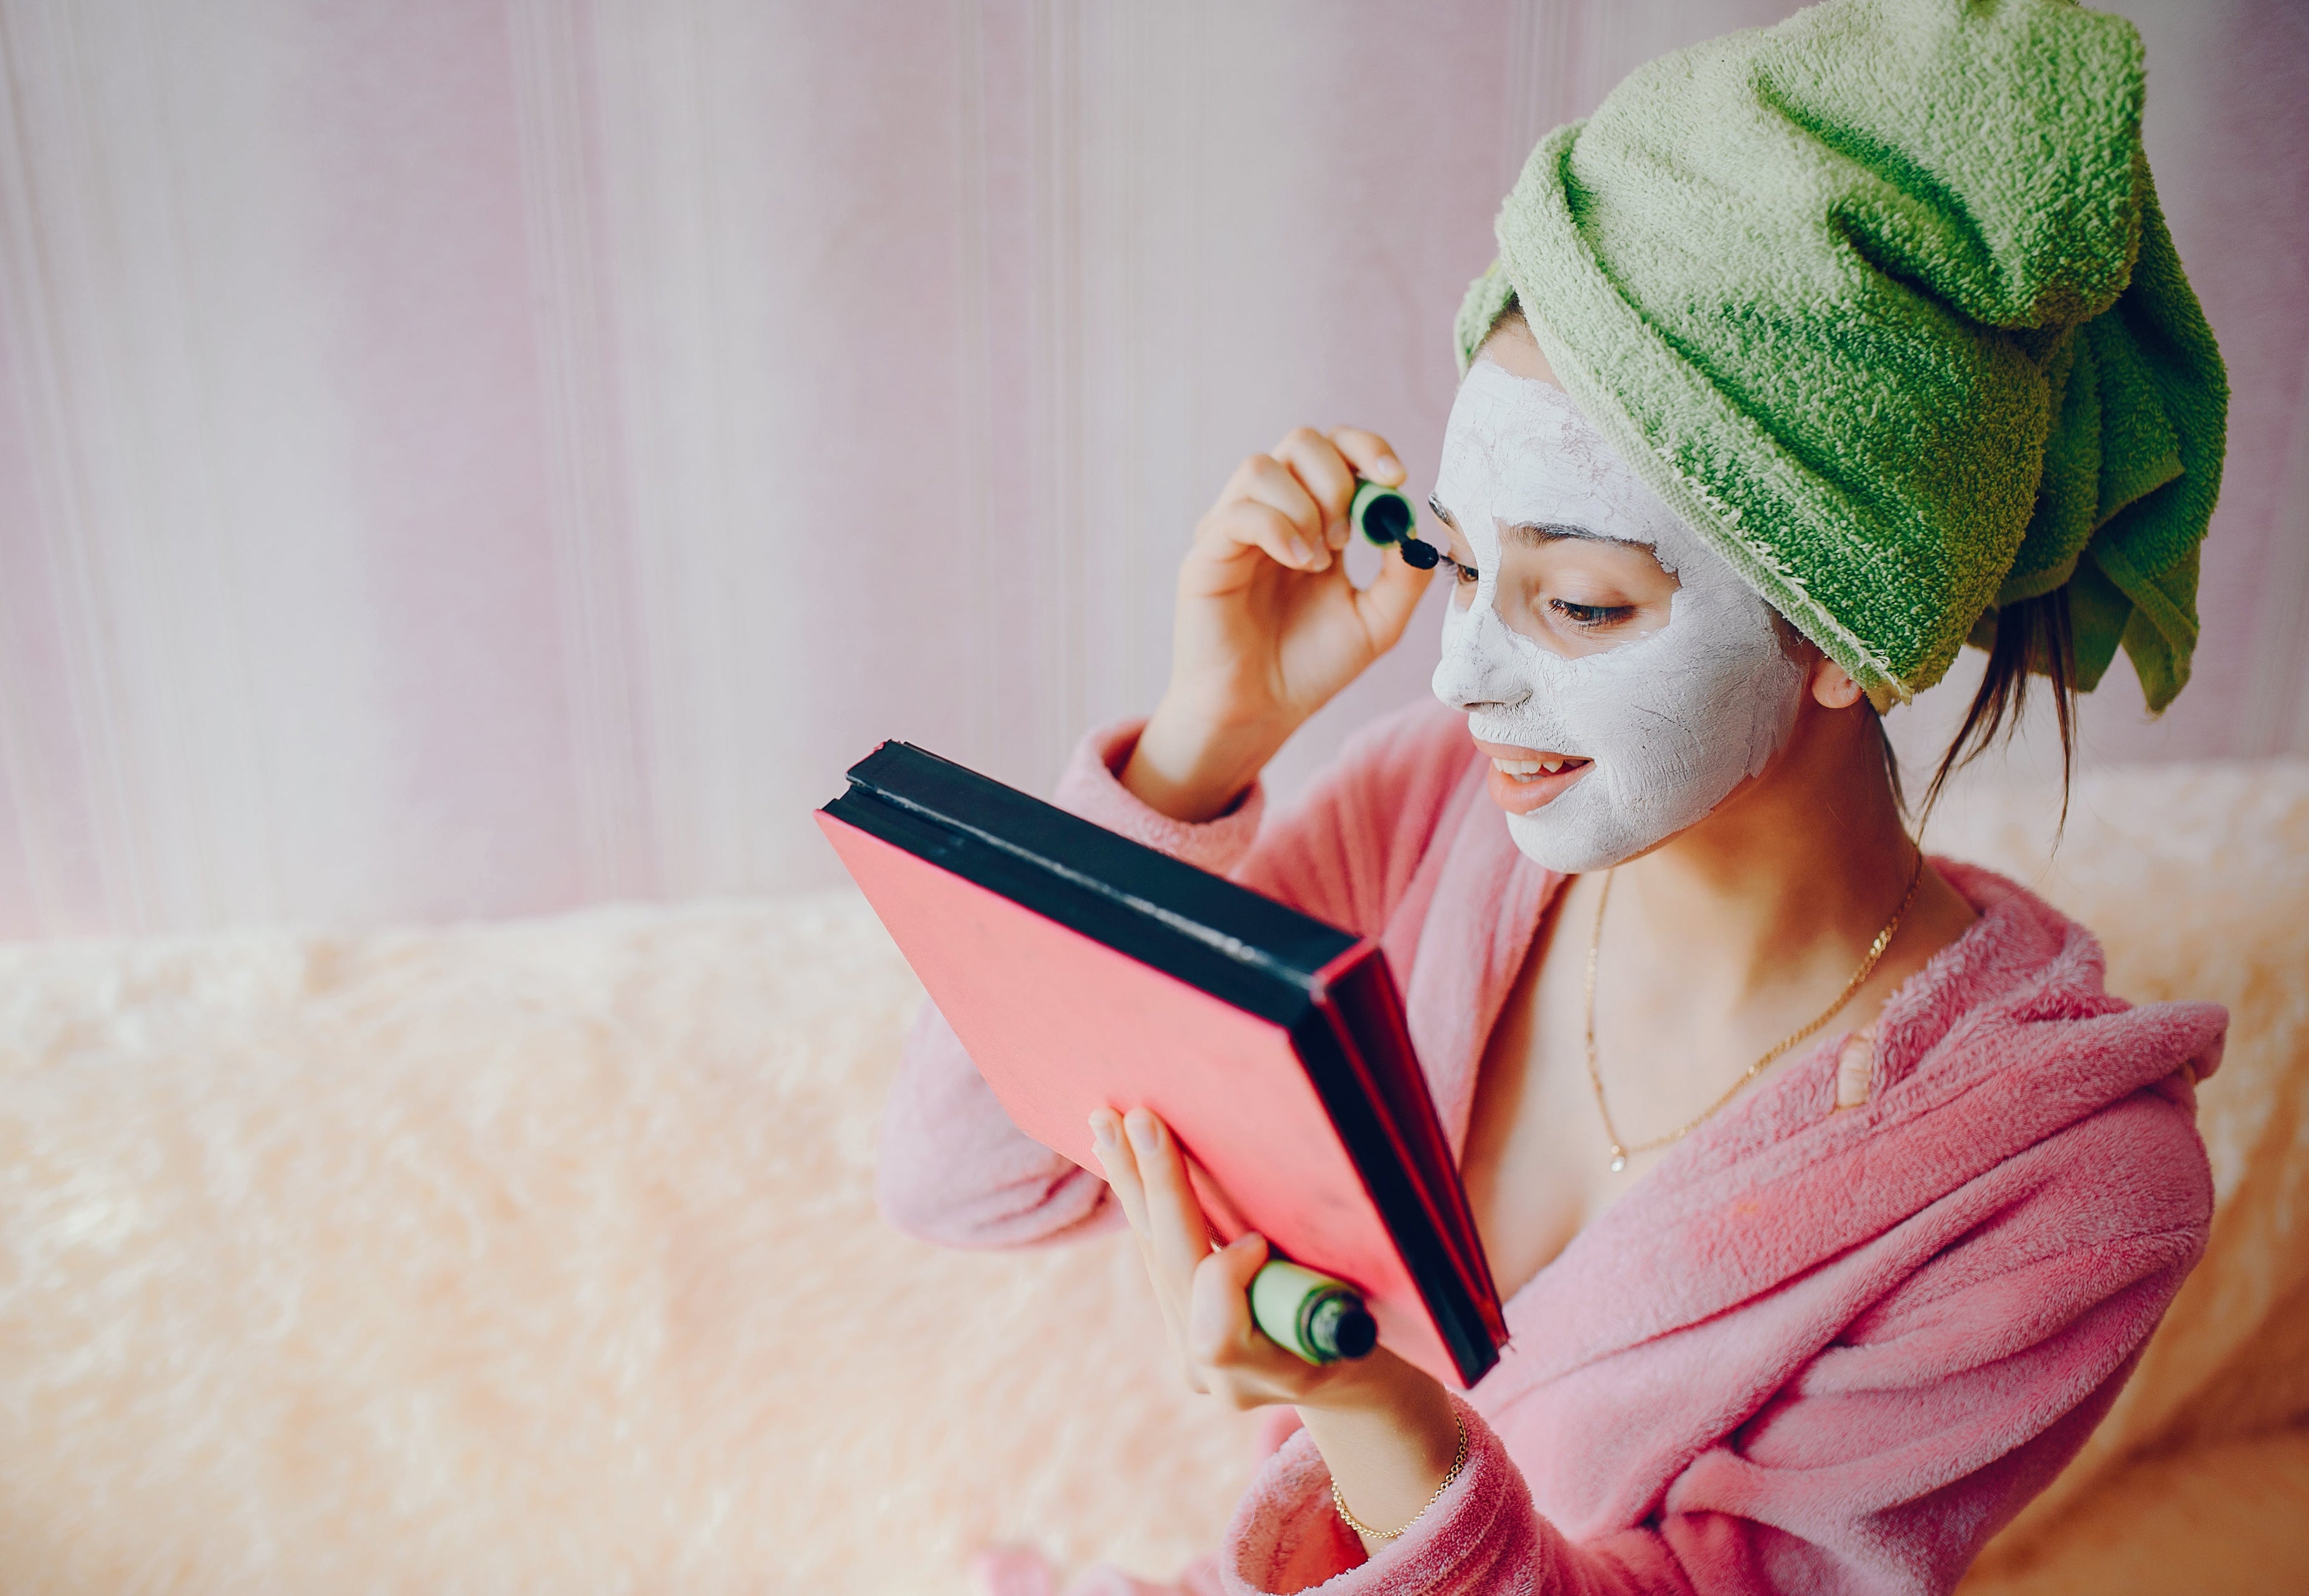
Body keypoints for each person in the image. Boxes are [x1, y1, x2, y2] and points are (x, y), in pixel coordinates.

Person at [876, 2, 2229, 1591]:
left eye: (1581, 603)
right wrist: (1203, 742)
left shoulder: (2061, 1187)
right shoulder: (1427, 823)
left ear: (1844, 633)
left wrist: (1368, 1416)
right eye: (1459, 565)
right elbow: (968, 1177)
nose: (1461, 679)